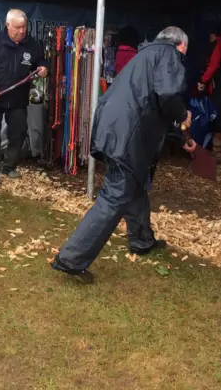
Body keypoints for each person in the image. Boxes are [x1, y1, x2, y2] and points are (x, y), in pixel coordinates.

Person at [51, 27, 196, 283]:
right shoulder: (168, 54)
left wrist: (177, 138)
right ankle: (70, 259)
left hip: (114, 128)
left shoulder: (145, 55)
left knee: (135, 186)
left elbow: (148, 106)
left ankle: (141, 240)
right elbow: (168, 95)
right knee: (115, 196)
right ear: (180, 44)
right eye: (186, 49)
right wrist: (183, 115)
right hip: (126, 136)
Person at [0, 9, 48, 185]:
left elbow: (41, 61)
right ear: (8, 25)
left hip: (18, 98)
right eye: (17, 27)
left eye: (24, 27)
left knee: (18, 133)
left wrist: (43, 68)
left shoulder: (32, 44)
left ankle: (9, 166)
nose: (21, 31)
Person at [198, 25, 221, 163]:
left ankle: (217, 154)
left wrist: (202, 81)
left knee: (219, 122)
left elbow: (213, 65)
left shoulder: (219, 45)